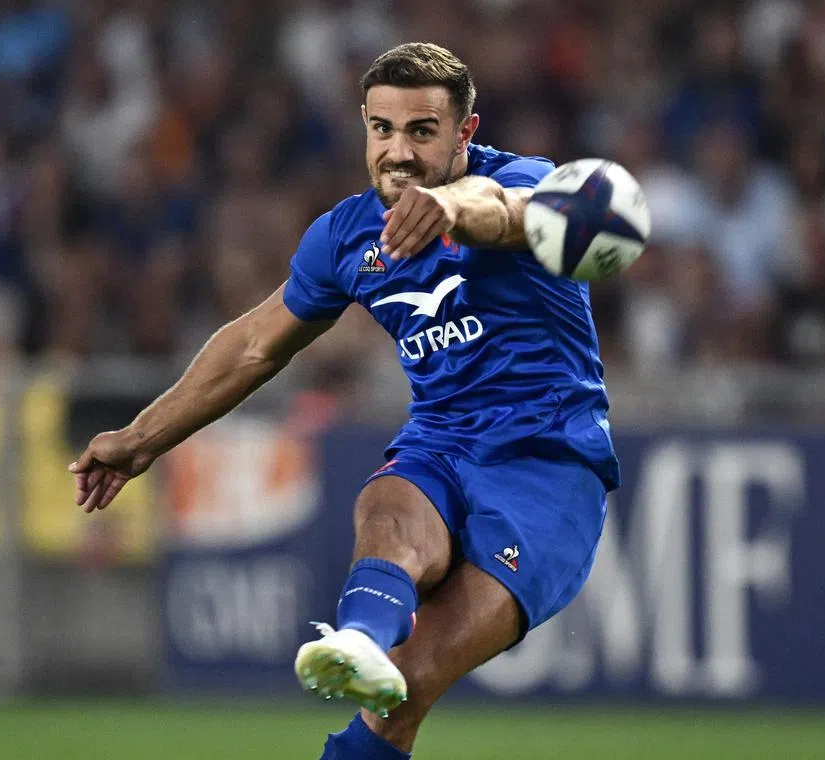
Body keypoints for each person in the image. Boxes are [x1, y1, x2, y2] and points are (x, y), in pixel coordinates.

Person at [69, 43, 619, 759]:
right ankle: (358, 640)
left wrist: (447, 205)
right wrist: (142, 438)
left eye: (422, 131)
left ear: (466, 133)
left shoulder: (525, 183)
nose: (398, 151)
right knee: (387, 509)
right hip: (443, 443)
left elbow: (502, 212)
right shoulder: (346, 235)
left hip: (550, 470)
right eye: (382, 128)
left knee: (409, 688)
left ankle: (378, 658)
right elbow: (254, 345)